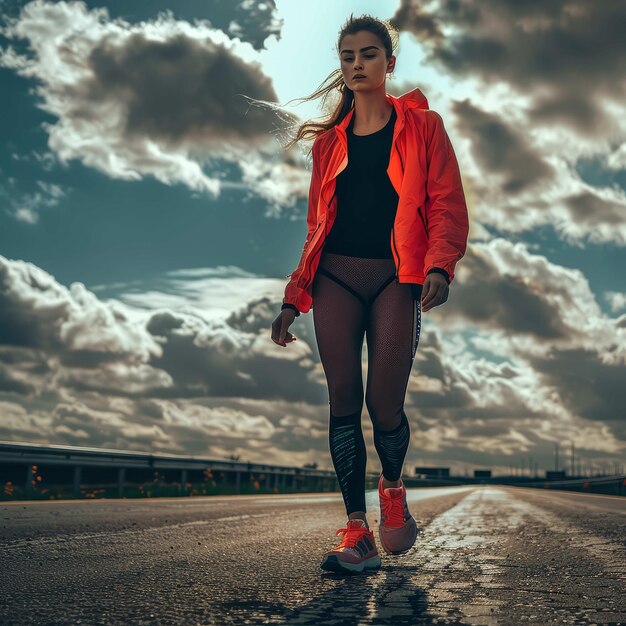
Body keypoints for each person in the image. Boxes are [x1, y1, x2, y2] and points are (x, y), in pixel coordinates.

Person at [271, 13, 469, 574]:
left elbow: (446, 204)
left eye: (368, 55)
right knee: (342, 398)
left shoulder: (424, 128)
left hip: (395, 276)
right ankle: (356, 530)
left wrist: (440, 266)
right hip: (334, 274)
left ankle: (392, 487)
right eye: (348, 57)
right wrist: (295, 296)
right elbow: (316, 226)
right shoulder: (328, 146)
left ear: (389, 62)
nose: (357, 65)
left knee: (384, 404)